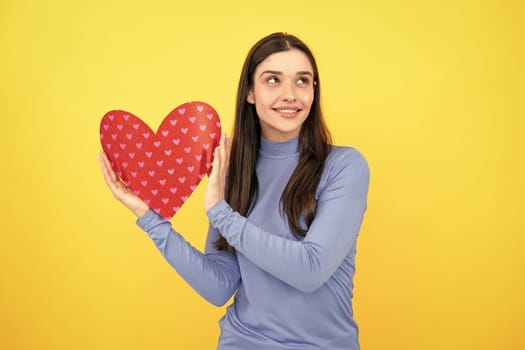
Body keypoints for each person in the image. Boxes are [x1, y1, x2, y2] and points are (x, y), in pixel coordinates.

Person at [99, 32, 370, 350]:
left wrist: (220, 213)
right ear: (250, 93)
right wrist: (149, 217)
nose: (290, 94)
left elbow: (310, 270)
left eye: (302, 81)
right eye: (272, 80)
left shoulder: (344, 166)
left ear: (314, 90)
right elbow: (219, 286)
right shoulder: (232, 171)